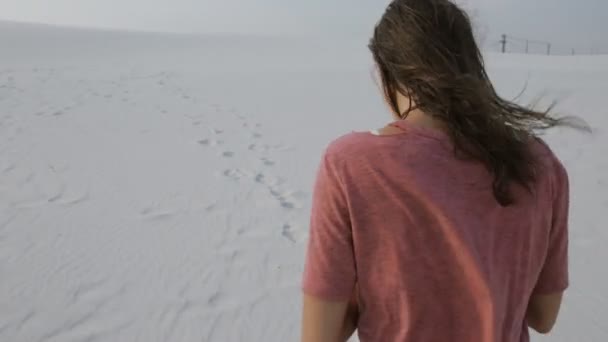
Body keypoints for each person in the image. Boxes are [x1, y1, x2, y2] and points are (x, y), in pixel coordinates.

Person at [300, 0, 585, 341]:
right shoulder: (540, 163)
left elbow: (320, 335)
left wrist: (376, 291)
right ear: (470, 67)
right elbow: (544, 315)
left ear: (386, 73)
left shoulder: (351, 164)